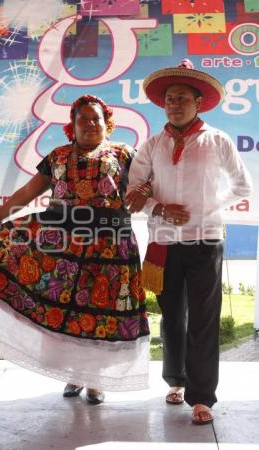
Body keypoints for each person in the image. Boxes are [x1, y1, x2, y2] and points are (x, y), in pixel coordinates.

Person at [0, 95, 150, 405]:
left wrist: (147, 191)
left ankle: (95, 381)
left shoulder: (125, 154)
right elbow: (28, 191)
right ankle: (75, 374)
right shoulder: (57, 156)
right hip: (60, 246)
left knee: (101, 311)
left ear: (108, 124)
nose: (89, 124)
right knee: (67, 309)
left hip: (110, 245)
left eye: (95, 119)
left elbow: (149, 185)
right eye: (82, 119)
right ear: (71, 126)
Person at [126, 60, 253, 423]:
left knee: (203, 318)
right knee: (172, 318)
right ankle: (176, 381)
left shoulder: (218, 140)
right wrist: (159, 208)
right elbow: (133, 190)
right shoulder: (151, 145)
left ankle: (202, 399)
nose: (174, 103)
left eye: (182, 97)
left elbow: (242, 186)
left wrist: (207, 205)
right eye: (169, 98)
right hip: (163, 241)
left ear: (199, 102)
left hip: (206, 240)